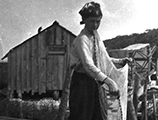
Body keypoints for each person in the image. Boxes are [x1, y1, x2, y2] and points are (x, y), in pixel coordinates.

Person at [68, 1, 130, 120]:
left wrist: (120, 61)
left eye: (98, 21)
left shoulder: (95, 36)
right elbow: (88, 65)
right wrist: (109, 81)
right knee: (82, 116)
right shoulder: (82, 40)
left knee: (97, 115)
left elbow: (103, 58)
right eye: (92, 21)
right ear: (84, 20)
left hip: (94, 82)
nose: (95, 25)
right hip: (82, 84)